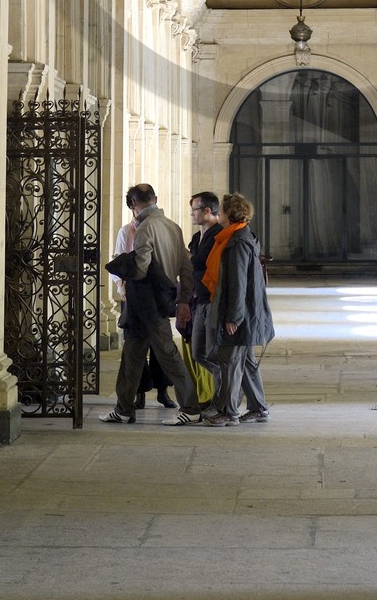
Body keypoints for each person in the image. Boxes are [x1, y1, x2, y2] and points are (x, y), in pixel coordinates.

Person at [101, 183, 201, 426]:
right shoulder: (173, 227)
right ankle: (124, 409)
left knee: (168, 354)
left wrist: (122, 267)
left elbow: (141, 267)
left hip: (146, 303)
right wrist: (184, 299)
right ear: (154, 198)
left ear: (133, 204)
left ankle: (191, 407)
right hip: (162, 299)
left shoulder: (145, 228)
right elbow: (186, 269)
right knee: (132, 354)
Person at [203, 191, 274, 427]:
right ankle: (258, 407)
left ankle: (229, 412)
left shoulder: (237, 241)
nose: (218, 213)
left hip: (240, 313)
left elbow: (238, 282)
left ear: (229, 214)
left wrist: (233, 317)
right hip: (246, 312)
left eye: (221, 210)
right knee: (245, 362)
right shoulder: (238, 236)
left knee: (230, 361)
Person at [107, 189, 176, 411]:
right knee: (135, 347)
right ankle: (139, 394)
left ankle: (163, 391)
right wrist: (122, 286)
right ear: (133, 207)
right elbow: (117, 262)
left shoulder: (157, 228)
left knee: (158, 349)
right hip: (133, 297)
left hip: (155, 295)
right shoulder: (125, 232)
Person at [187, 191, 223, 411]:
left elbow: (200, 262)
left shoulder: (218, 234)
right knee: (198, 352)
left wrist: (188, 257)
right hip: (199, 298)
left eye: (194, 210)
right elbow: (194, 258)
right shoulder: (198, 236)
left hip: (212, 300)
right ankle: (224, 390)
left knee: (213, 352)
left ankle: (222, 399)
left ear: (207, 211)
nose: (192, 214)